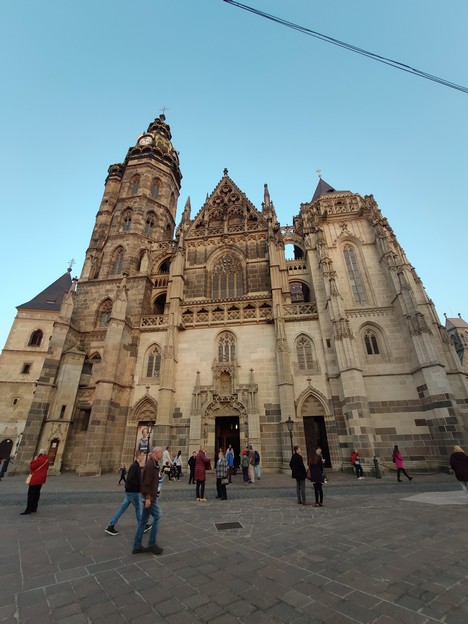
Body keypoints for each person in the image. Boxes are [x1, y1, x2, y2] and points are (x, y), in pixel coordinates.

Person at [106, 451, 151, 536]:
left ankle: (111, 526)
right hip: (133, 492)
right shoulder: (135, 466)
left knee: (122, 509)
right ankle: (143, 526)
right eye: (142, 455)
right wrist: (141, 487)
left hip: (129, 492)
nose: (143, 457)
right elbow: (131, 480)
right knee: (139, 509)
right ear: (138, 456)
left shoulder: (135, 465)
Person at [132, 446, 164, 555]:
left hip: (149, 497)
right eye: (161, 453)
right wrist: (148, 498)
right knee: (158, 515)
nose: (162, 455)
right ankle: (152, 544)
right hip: (149, 498)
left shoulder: (154, 464)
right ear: (156, 453)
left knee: (143, 521)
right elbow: (146, 483)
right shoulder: (150, 465)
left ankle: (137, 546)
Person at [20, 449, 50, 515]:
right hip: (41, 478)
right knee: (37, 493)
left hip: (36, 478)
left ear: (40, 453)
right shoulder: (47, 459)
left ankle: (28, 509)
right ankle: (34, 507)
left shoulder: (39, 459)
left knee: (31, 494)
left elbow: (32, 467)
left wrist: (34, 460)